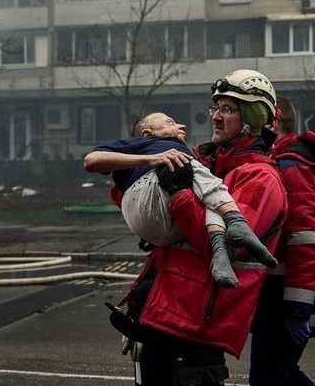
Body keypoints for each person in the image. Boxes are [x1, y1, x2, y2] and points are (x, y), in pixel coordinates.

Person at [120, 69, 287, 385]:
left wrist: (179, 195)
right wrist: (133, 177)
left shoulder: (260, 179)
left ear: (253, 117)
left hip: (194, 330)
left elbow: (228, 248)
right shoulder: (208, 164)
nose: (216, 117)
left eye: (228, 109)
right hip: (159, 315)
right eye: (216, 108)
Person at [83, 112, 277, 287]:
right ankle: (234, 222)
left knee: (204, 191)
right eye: (170, 122)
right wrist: (151, 159)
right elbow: (90, 160)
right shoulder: (144, 146)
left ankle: (220, 248)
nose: (181, 126)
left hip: (153, 227)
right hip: (148, 196)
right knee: (192, 169)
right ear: (148, 134)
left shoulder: (188, 152)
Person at [250, 95, 315, 385]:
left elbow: (307, 241)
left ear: (273, 121)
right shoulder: (281, 161)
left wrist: (296, 310)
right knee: (278, 375)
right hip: (279, 293)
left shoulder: (291, 166)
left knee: (269, 378)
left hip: (284, 295)